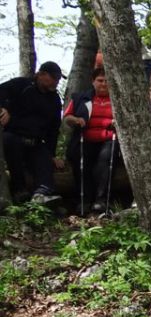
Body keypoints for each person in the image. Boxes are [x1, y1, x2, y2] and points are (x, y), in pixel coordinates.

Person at [0, 61, 63, 204]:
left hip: (35, 141)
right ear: (41, 75)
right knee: (10, 143)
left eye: (58, 79)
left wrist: (52, 154)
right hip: (14, 135)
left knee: (44, 157)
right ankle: (19, 190)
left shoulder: (54, 99)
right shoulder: (22, 85)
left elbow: (54, 129)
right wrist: (3, 109)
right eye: (53, 78)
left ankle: (42, 192)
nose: (55, 82)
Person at [64, 67, 121, 213]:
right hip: (85, 138)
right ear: (93, 81)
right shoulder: (81, 98)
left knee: (106, 159)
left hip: (109, 138)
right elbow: (67, 117)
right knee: (80, 158)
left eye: (107, 81)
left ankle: (101, 200)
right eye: (100, 81)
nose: (103, 84)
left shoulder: (118, 99)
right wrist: (76, 120)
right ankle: (84, 199)